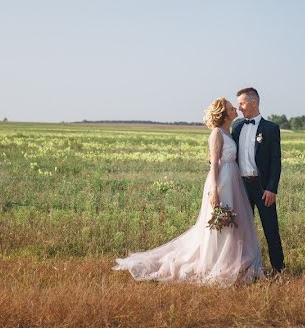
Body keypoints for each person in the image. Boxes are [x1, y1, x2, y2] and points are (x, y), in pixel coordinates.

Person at [113, 97, 263, 286]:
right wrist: (215, 190)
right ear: (224, 114)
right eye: (232, 108)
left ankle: (229, 258)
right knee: (220, 222)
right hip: (222, 181)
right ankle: (213, 261)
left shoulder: (230, 131)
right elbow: (214, 163)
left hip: (233, 180)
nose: (235, 110)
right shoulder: (216, 133)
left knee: (232, 222)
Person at [232, 86, 284, 273]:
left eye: (242, 103)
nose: (239, 108)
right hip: (241, 187)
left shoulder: (271, 129)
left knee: (271, 230)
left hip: (263, 189)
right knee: (242, 232)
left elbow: (276, 162)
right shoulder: (236, 126)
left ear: (253, 102)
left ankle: (279, 270)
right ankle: (246, 269)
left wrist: (272, 188)